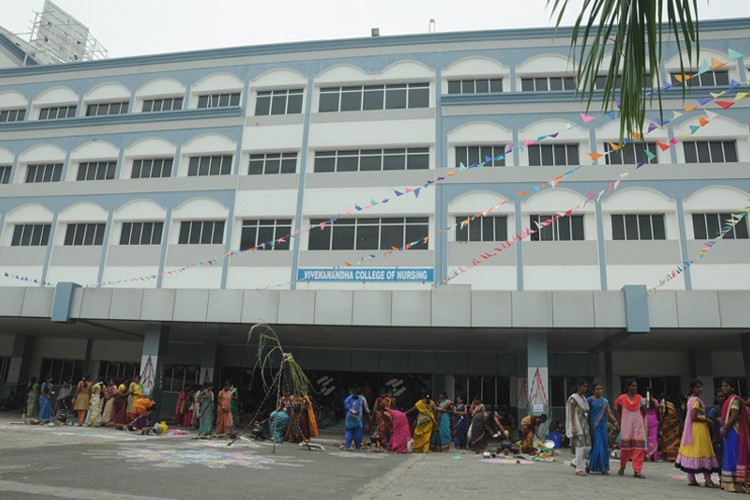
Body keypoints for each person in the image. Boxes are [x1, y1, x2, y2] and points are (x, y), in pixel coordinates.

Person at [675, 378, 720, 488]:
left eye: (701, 386)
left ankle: (691, 479)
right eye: (697, 387)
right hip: (698, 429)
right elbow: (694, 417)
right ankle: (708, 480)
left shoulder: (690, 399)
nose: (700, 389)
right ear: (692, 388)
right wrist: (707, 420)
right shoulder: (695, 401)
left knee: (693, 451)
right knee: (704, 451)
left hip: (694, 429)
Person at [719, 378, 750, 492]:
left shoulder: (735, 400)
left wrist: (724, 428)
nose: (724, 388)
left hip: (734, 431)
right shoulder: (728, 400)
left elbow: (734, 415)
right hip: (730, 431)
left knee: (734, 454)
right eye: (723, 386)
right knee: (730, 454)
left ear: (732, 388)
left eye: (726, 386)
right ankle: (729, 483)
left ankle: (737, 482)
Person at [614, 378, 647, 478]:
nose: (635, 388)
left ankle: (637, 471)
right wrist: (620, 423)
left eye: (636, 386)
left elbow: (644, 412)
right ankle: (623, 466)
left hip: (638, 426)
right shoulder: (621, 399)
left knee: (639, 449)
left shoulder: (640, 399)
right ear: (627, 387)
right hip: (626, 426)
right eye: (633, 386)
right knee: (625, 449)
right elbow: (618, 411)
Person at [587, 383, 619, 475]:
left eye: (601, 388)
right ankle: (591, 466)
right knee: (595, 446)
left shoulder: (605, 401)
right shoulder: (589, 400)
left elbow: (609, 413)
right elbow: (586, 413)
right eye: (598, 389)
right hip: (593, 427)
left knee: (604, 447)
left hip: (602, 427)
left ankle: (604, 468)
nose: (600, 390)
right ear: (593, 390)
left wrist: (615, 421)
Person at [567, 379, 592, 476]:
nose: (585, 388)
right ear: (578, 387)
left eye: (586, 387)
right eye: (583, 386)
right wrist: (573, 426)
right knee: (580, 446)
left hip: (585, 424)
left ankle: (574, 462)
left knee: (588, 447)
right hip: (577, 424)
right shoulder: (574, 398)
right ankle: (578, 469)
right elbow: (572, 413)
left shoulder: (584, 398)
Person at [658, 393, 680, 462]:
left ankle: (667, 457)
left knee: (666, 441)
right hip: (674, 427)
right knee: (673, 442)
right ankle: (673, 457)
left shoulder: (660, 406)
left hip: (665, 426)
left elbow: (660, 417)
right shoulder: (671, 404)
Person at [708, 391, 726, 468]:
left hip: (726, 433)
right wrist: (714, 436)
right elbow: (711, 423)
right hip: (718, 434)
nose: (721, 398)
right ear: (716, 398)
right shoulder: (714, 409)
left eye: (722, 396)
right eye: (719, 396)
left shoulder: (727, 407)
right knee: (719, 454)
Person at [644, 389, 660, 462]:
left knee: (646, 437)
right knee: (653, 438)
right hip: (654, 420)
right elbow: (657, 411)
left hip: (646, 420)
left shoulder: (643, 400)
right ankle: (653, 455)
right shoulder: (655, 401)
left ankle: (647, 455)